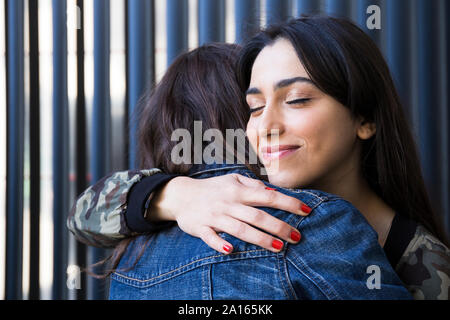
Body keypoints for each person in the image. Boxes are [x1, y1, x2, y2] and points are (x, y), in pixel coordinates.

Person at [68, 16, 450, 299]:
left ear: (364, 118)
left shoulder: (425, 261)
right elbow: (82, 216)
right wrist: (177, 195)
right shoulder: (219, 206)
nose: (264, 125)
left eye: (297, 99)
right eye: (252, 107)